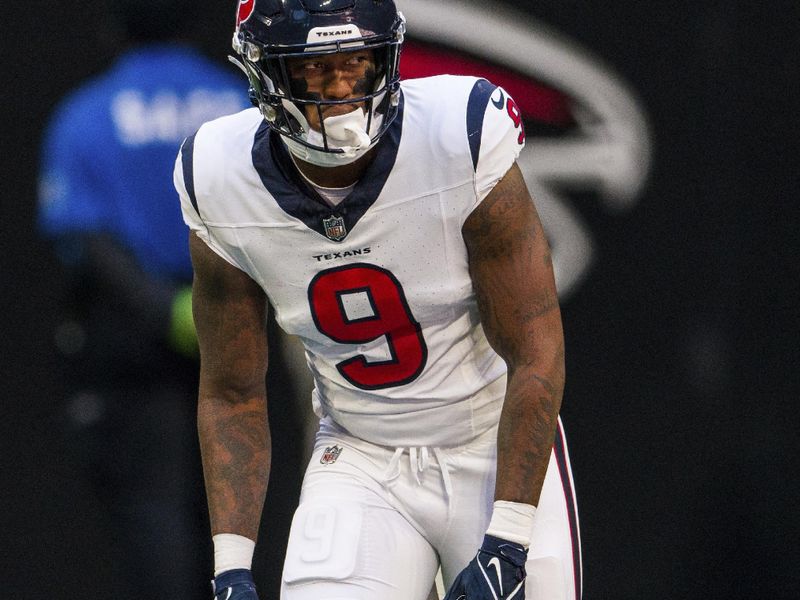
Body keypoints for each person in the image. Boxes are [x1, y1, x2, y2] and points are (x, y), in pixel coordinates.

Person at [174, 1, 582, 598]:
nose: (341, 89)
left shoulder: (458, 135)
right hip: (360, 454)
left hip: (488, 436)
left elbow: (536, 346)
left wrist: (509, 536)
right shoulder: (219, 176)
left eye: (356, 62)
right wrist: (231, 567)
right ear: (264, 72)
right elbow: (232, 391)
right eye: (315, 69)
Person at [35, 1, 279, 598]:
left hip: (133, 338)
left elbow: (85, 237)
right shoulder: (241, 104)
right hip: (233, 323)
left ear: (112, 23)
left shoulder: (86, 115)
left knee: (152, 514)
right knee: (235, 515)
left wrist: (165, 311)